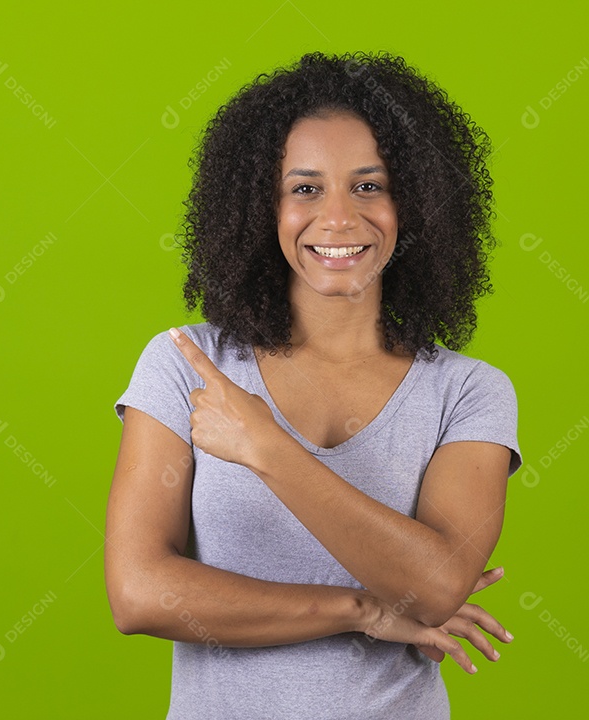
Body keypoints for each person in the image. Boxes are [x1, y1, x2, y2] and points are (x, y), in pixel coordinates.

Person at [106, 50, 523, 719]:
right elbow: (139, 592)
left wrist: (266, 448)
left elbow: (439, 585)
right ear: (259, 208)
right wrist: (360, 609)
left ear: (414, 203)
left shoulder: (469, 392)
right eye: (304, 188)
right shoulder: (186, 363)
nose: (337, 218)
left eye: (369, 186)